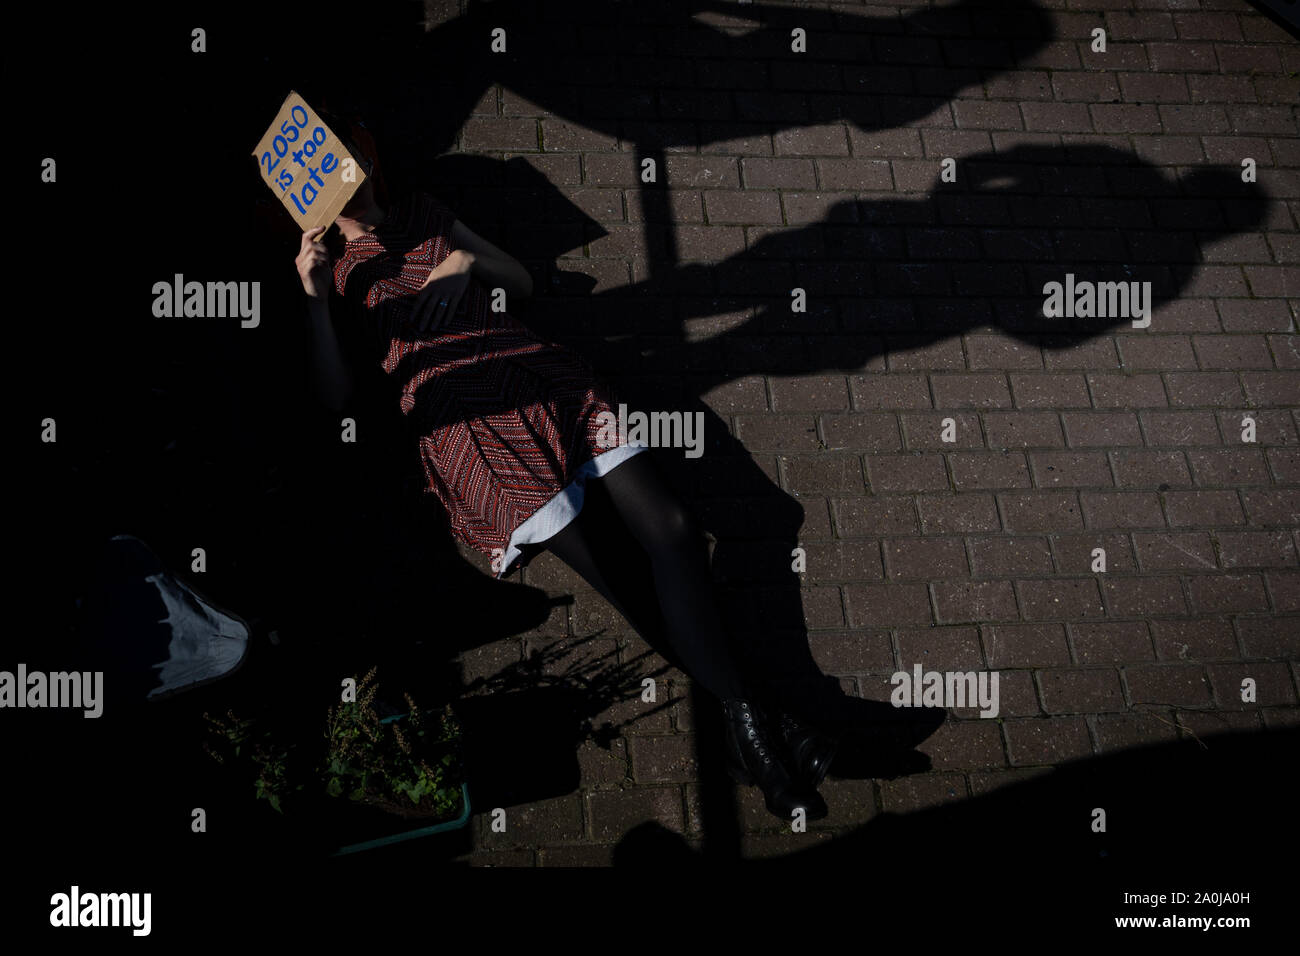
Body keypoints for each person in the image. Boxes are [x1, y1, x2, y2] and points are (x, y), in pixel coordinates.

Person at [290, 119, 838, 821]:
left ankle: (754, 727)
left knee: (671, 528)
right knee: (625, 581)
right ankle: (762, 733)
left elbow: (516, 276)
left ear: (368, 161)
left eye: (352, 158)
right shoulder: (334, 272)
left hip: (541, 378)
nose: (346, 177)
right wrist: (310, 297)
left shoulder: (424, 211)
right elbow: (336, 395)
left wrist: (459, 262)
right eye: (328, 171)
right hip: (471, 430)